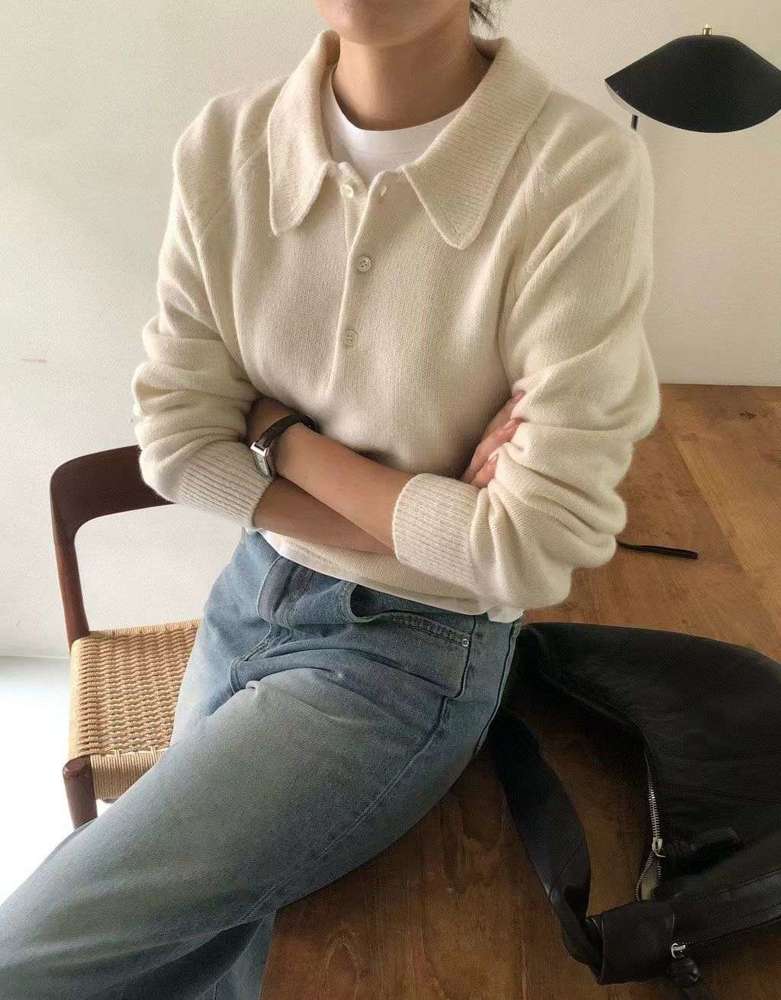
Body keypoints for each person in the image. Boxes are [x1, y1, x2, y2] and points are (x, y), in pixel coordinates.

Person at [0, 0, 661, 996]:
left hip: (411, 654)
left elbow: (532, 548)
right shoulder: (228, 143)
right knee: (205, 948)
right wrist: (441, 523)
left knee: (29, 960)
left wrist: (281, 437)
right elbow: (177, 446)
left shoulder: (574, 170)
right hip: (249, 595)